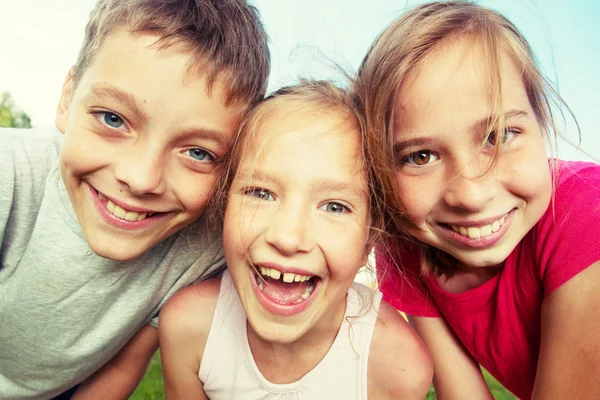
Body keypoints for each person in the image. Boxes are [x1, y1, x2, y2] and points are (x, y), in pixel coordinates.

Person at [0, 0, 270, 398]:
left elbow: (125, 363)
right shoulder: (11, 173)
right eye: (112, 119)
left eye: (198, 153)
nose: (141, 179)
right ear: (67, 98)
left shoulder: (203, 247)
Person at [356, 1, 600, 399]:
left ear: (541, 124)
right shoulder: (405, 248)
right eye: (420, 157)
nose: (471, 195)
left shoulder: (587, 210)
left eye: (500, 135)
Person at [158, 80, 433, 399]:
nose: (288, 238)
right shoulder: (190, 327)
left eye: (335, 206)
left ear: (370, 240)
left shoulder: (396, 365)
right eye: (261, 193)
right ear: (224, 204)